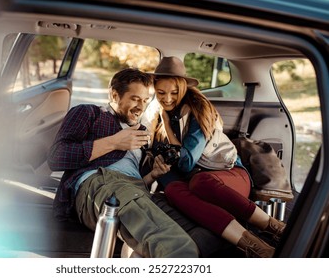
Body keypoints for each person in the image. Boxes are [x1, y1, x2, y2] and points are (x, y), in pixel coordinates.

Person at [47, 67, 199, 258]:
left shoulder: (143, 132)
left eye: (145, 101)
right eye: (135, 99)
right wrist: (114, 142)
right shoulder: (89, 113)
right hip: (101, 184)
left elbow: (136, 181)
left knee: (202, 236)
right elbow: (56, 157)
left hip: (138, 191)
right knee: (177, 248)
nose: (141, 107)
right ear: (114, 94)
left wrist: (154, 174)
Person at [143, 56, 286, 258]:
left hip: (229, 177)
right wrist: (159, 169)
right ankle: (258, 249)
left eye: (174, 92)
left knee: (201, 182)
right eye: (161, 93)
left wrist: (167, 124)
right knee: (174, 189)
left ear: (183, 88)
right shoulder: (155, 119)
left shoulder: (198, 112)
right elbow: (173, 175)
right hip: (193, 183)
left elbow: (185, 163)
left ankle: (276, 228)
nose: (167, 99)